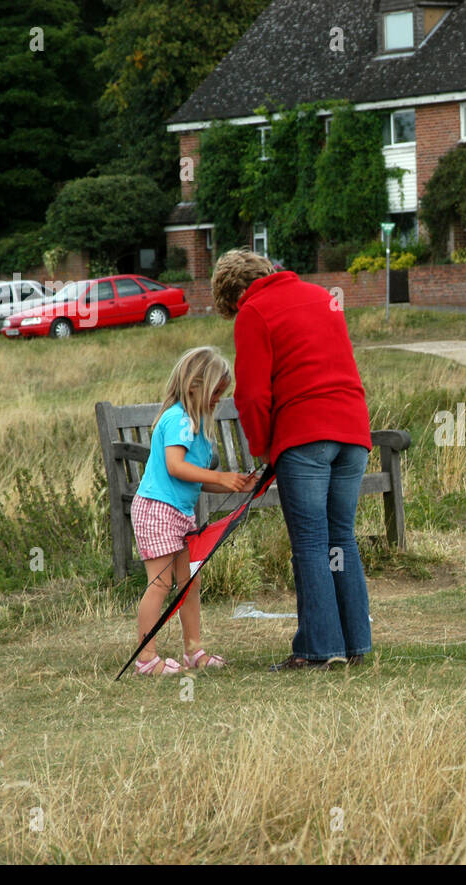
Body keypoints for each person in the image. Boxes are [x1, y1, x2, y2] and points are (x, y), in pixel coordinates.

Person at [211, 249, 374, 671]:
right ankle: (356, 645)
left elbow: (250, 394)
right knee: (342, 538)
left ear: (236, 296)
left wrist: (262, 447)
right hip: (353, 430)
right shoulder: (323, 296)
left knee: (310, 543)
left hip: (306, 435)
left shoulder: (254, 311)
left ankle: (317, 651)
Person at [130, 347, 254, 674]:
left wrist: (236, 485)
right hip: (157, 511)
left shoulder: (197, 426)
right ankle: (146, 659)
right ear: (195, 385)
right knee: (160, 583)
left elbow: (195, 481)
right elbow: (175, 467)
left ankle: (194, 652)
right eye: (215, 392)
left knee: (190, 583)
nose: (218, 400)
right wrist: (219, 476)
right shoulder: (179, 419)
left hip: (180, 513)